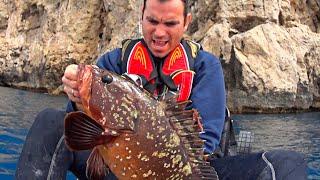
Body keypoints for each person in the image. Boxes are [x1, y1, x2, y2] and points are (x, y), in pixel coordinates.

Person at [16, 0, 307, 179]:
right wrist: (76, 96)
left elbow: (205, 144)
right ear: (141, 14)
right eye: (152, 20)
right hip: (115, 169)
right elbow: (78, 131)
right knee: (49, 121)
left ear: (186, 22)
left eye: (170, 23)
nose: (159, 32)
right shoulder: (111, 62)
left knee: (285, 164)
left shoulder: (206, 68)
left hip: (184, 174)